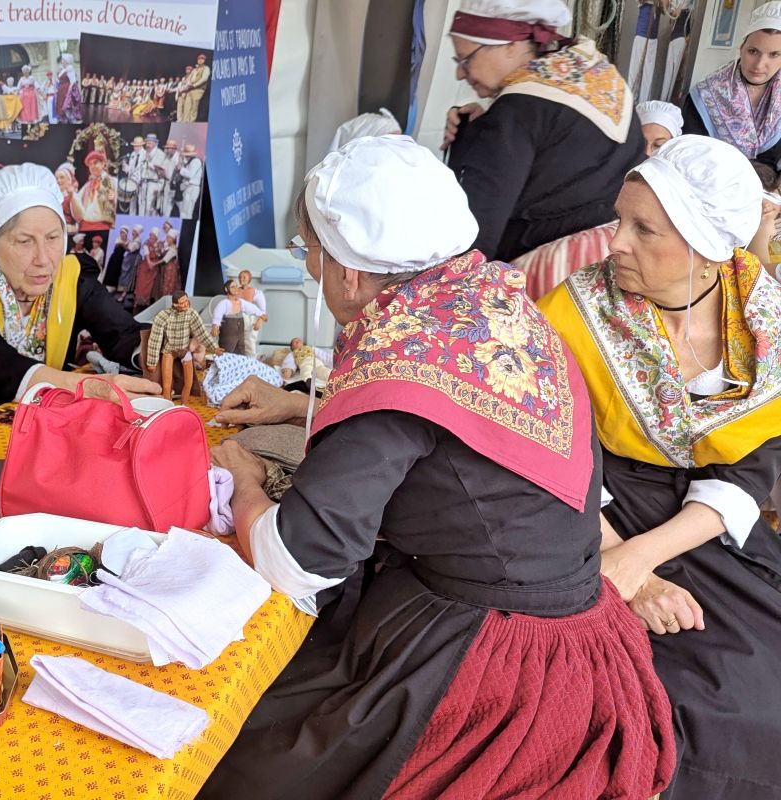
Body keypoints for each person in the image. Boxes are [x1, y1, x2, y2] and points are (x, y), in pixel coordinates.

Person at [199, 135, 674, 800]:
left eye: (312, 251)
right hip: (581, 638)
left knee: (239, 751)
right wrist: (303, 404)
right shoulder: (490, 299)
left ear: (351, 274)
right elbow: (452, 436)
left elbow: (299, 560)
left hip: (496, 671)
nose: (309, 267)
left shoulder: (398, 361)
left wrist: (244, 482)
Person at [539, 134, 781, 799]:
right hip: (588, 512)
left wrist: (643, 561)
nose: (614, 242)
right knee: (683, 704)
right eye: (621, 219)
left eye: (643, 228)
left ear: (706, 249)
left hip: (699, 525)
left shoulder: (764, 328)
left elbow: (751, 471)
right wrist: (627, 573)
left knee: (763, 679)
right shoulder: (574, 315)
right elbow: (546, 454)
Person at [0, 163, 156, 420]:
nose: (44, 259)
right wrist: (85, 387)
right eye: (24, 241)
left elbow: (121, 332)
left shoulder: (70, 277)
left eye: (53, 238)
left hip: (42, 425)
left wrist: (162, 350)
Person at [442, 0, 644, 262]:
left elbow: (474, 242)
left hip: (542, 279)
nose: (460, 73)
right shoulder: (596, 74)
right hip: (615, 264)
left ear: (511, 46)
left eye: (466, 60)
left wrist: (484, 137)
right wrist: (479, 132)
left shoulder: (514, 114)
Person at [684, 2, 781, 167]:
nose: (759, 65)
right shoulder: (705, 95)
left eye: (774, 55)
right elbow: (688, 154)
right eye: (753, 51)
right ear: (741, 48)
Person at [145, 291, 220, 404]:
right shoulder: (163, 316)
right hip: (169, 351)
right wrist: (152, 362)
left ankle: (183, 404)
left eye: (186, 300)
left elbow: (201, 332)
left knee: (189, 381)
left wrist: (214, 347)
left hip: (185, 351)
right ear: (175, 304)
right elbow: (155, 340)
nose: (186, 304)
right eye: (182, 302)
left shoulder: (191, 313)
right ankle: (167, 405)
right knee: (166, 383)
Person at [211, 279, 264, 355]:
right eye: (233, 287)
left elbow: (251, 308)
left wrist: (260, 314)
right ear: (226, 289)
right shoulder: (224, 303)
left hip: (240, 333)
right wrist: (215, 325)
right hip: (229, 332)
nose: (236, 289)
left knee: (241, 351)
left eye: (236, 286)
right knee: (226, 351)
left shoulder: (241, 302)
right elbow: (218, 314)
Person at [71, 150, 117, 231]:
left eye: (95, 163)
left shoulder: (113, 182)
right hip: (85, 227)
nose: (92, 166)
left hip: (104, 227)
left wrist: (114, 200)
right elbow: (76, 204)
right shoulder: (87, 186)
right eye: (90, 164)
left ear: (103, 164)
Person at [236, 269, 267, 357]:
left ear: (249, 279)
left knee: (249, 343)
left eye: (244, 277)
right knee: (236, 344)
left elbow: (262, 311)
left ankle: (252, 363)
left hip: (250, 321)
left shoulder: (256, 293)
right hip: (236, 320)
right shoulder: (235, 291)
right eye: (240, 277)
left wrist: (259, 321)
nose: (241, 279)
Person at [178, 53, 210, 122]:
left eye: (202, 59)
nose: (200, 60)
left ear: (204, 60)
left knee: (194, 107)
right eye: (199, 59)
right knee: (187, 106)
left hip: (198, 89)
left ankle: (191, 123)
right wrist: (185, 88)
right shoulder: (194, 70)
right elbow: (189, 79)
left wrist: (194, 85)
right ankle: (184, 123)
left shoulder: (206, 68)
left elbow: (204, 79)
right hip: (190, 89)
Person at [177, 143, 204, 219]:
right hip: (188, 188)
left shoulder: (196, 161)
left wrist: (181, 169)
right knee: (184, 210)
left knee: (186, 212)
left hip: (192, 188)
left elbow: (190, 174)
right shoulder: (191, 161)